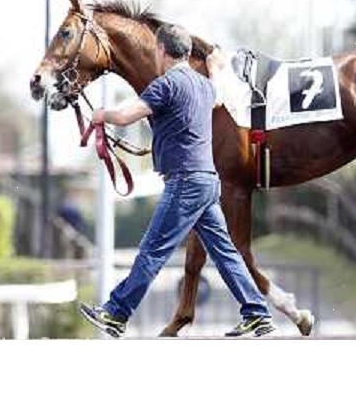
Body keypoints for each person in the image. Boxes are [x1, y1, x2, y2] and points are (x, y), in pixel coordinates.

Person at [80, 24, 275, 338]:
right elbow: (218, 92)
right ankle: (257, 313)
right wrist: (214, 64)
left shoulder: (165, 84)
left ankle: (116, 313)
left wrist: (101, 115)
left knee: (152, 250)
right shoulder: (204, 86)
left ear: (160, 50)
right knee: (225, 253)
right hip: (208, 181)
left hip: (184, 182)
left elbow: (129, 115)